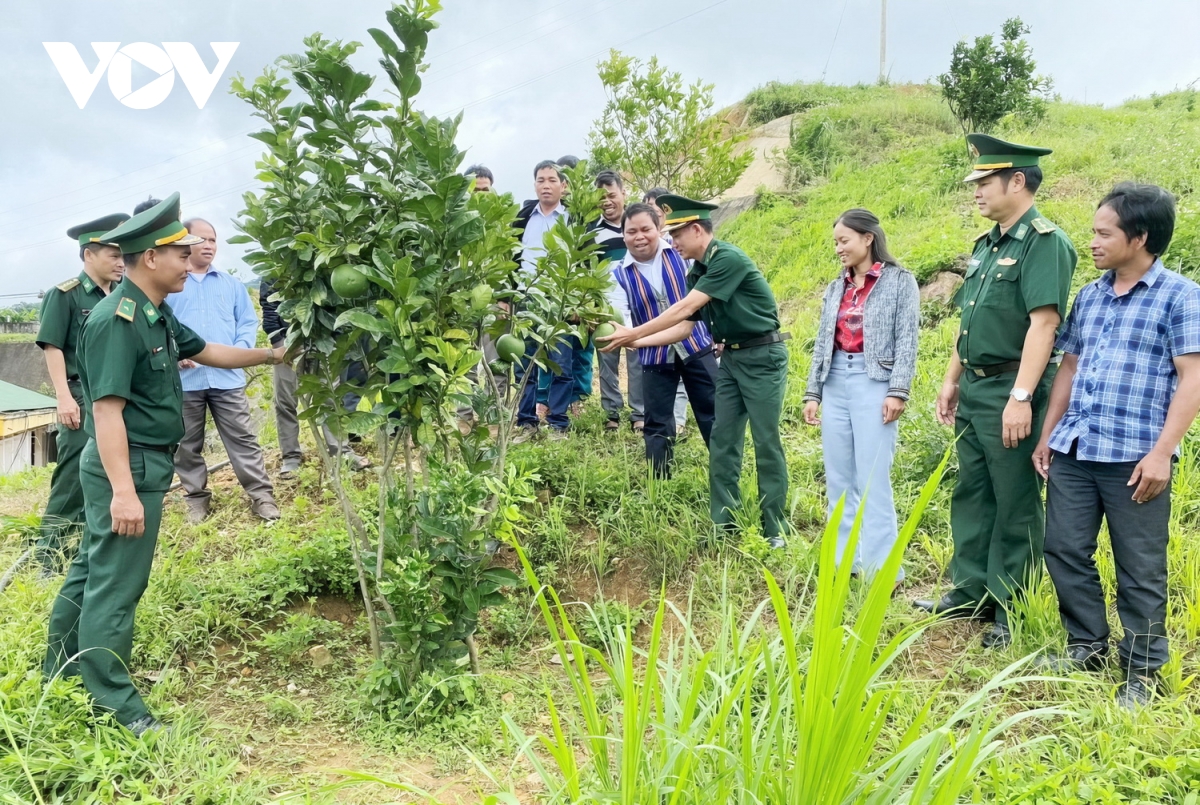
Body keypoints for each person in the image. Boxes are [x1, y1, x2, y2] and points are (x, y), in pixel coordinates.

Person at [43, 193, 289, 737]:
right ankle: (115, 707)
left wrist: (272, 355)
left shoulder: (156, 313)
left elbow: (210, 352)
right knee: (116, 586)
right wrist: (123, 492)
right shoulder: (117, 320)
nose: (191, 260)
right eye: (181, 252)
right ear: (152, 258)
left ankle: (57, 673)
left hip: (141, 464)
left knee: (90, 572)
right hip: (125, 465)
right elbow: (106, 414)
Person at [1032, 183, 1200, 708]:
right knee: (1063, 548)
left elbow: (1192, 377)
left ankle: (1143, 670)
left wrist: (1162, 452)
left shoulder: (1180, 296)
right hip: (1077, 448)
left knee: (1140, 565)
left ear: (1141, 237)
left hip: (1135, 455)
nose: (1095, 241)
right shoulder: (1091, 294)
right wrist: (1048, 434)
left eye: (1105, 233)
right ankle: (1087, 645)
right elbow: (1072, 364)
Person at [915, 135, 1078, 649]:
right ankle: (970, 590)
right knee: (974, 493)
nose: (977, 192)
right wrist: (950, 379)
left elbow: (1044, 324)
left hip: (1014, 386)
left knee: (1015, 501)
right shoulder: (988, 245)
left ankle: (1012, 604)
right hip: (979, 388)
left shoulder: (1044, 242)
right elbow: (971, 321)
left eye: (985, 182)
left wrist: (1022, 397)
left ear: (1017, 181)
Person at [601, 194, 790, 547]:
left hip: (763, 357)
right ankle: (725, 523)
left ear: (698, 230)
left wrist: (635, 331)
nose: (672, 242)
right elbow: (686, 326)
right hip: (731, 359)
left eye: (677, 235)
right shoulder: (699, 269)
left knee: (766, 442)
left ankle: (775, 528)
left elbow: (685, 307)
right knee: (722, 439)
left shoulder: (725, 260)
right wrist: (633, 343)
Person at [802, 209, 919, 584]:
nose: (839, 248)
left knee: (873, 478)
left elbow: (908, 340)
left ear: (868, 238)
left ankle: (883, 570)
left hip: (875, 382)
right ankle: (844, 562)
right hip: (836, 379)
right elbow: (822, 341)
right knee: (839, 477)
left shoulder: (900, 282)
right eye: (835, 242)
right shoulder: (836, 287)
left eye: (844, 240)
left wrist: (897, 391)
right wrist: (813, 392)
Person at [32, 213, 129, 576]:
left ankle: (91, 544)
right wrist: (63, 397)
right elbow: (52, 346)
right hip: (79, 396)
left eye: (123, 254)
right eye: (113, 254)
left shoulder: (120, 294)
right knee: (72, 476)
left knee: (108, 472)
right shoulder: (66, 294)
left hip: (112, 396)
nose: (121, 261)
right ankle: (48, 555)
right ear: (89, 254)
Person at [167, 219, 280, 523]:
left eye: (213, 240)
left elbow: (246, 322)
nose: (208, 245)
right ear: (184, 243)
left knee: (242, 437)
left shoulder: (231, 285)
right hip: (185, 380)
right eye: (201, 239)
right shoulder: (171, 284)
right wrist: (174, 353)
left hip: (227, 378)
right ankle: (196, 499)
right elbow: (161, 327)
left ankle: (261, 496)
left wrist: (240, 352)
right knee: (186, 443)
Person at [606, 202, 718, 475]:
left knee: (713, 412)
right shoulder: (618, 273)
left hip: (697, 345)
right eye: (632, 231)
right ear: (624, 236)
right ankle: (659, 480)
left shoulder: (682, 253)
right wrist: (632, 336)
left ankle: (725, 471)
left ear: (659, 229)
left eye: (646, 229)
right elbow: (623, 317)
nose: (639, 236)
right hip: (654, 355)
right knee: (656, 421)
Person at [261, 280, 370, 475]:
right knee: (285, 401)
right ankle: (291, 457)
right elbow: (269, 306)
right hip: (287, 342)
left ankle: (341, 451)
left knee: (331, 396)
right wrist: (278, 343)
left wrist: (333, 337)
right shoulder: (275, 269)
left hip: (323, 339)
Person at [512, 160, 573, 442]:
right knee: (524, 364)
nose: (545, 185)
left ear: (563, 185)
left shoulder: (572, 218)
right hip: (526, 300)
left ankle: (559, 424)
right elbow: (510, 258)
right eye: (540, 180)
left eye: (551, 180)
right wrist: (505, 297)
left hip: (559, 300)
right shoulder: (524, 216)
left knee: (561, 363)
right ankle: (526, 422)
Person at [592, 171, 644, 432]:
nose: (607, 201)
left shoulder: (636, 228)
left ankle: (639, 414)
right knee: (607, 365)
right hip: (606, 311)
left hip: (637, 310)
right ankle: (611, 413)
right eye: (601, 197)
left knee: (638, 365)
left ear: (623, 193)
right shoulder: (593, 233)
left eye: (611, 195)